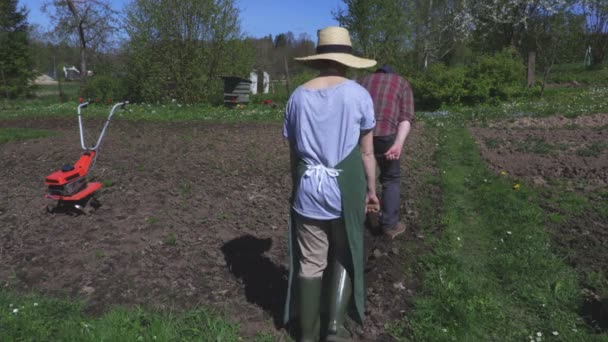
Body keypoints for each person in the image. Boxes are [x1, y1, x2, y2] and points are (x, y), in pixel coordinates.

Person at [282, 26, 379, 342]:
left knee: (310, 262)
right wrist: (372, 190)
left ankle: (307, 336)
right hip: (345, 189)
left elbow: (294, 153)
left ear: (319, 59)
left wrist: (296, 188)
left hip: (309, 188)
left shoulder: (297, 96)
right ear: (347, 59)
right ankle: (334, 331)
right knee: (344, 252)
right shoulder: (358, 94)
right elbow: (367, 153)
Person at [358, 64, 415, 239]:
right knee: (391, 178)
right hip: (386, 134)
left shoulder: (361, 81)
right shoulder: (401, 83)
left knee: (360, 177)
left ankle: (357, 220)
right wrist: (398, 143)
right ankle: (389, 225)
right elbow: (405, 117)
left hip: (359, 134)